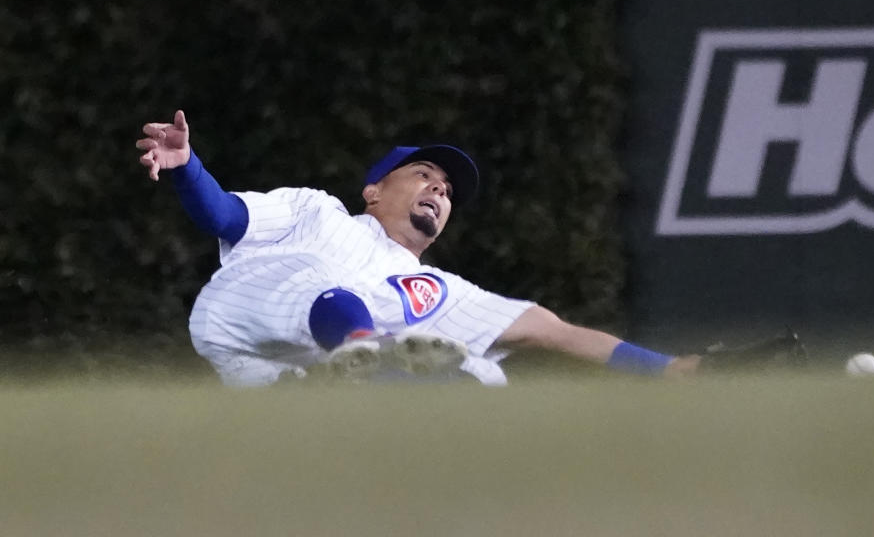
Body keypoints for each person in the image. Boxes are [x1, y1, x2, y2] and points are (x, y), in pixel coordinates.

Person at [136, 110, 803, 387]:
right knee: (325, 285)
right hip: (239, 314)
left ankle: (376, 372)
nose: (438, 188)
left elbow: (555, 332)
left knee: (485, 376)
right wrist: (190, 166)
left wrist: (677, 371)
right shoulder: (320, 213)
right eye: (424, 173)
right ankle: (370, 355)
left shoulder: (439, 288)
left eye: (448, 187)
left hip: (285, 380)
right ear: (374, 190)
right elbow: (223, 215)